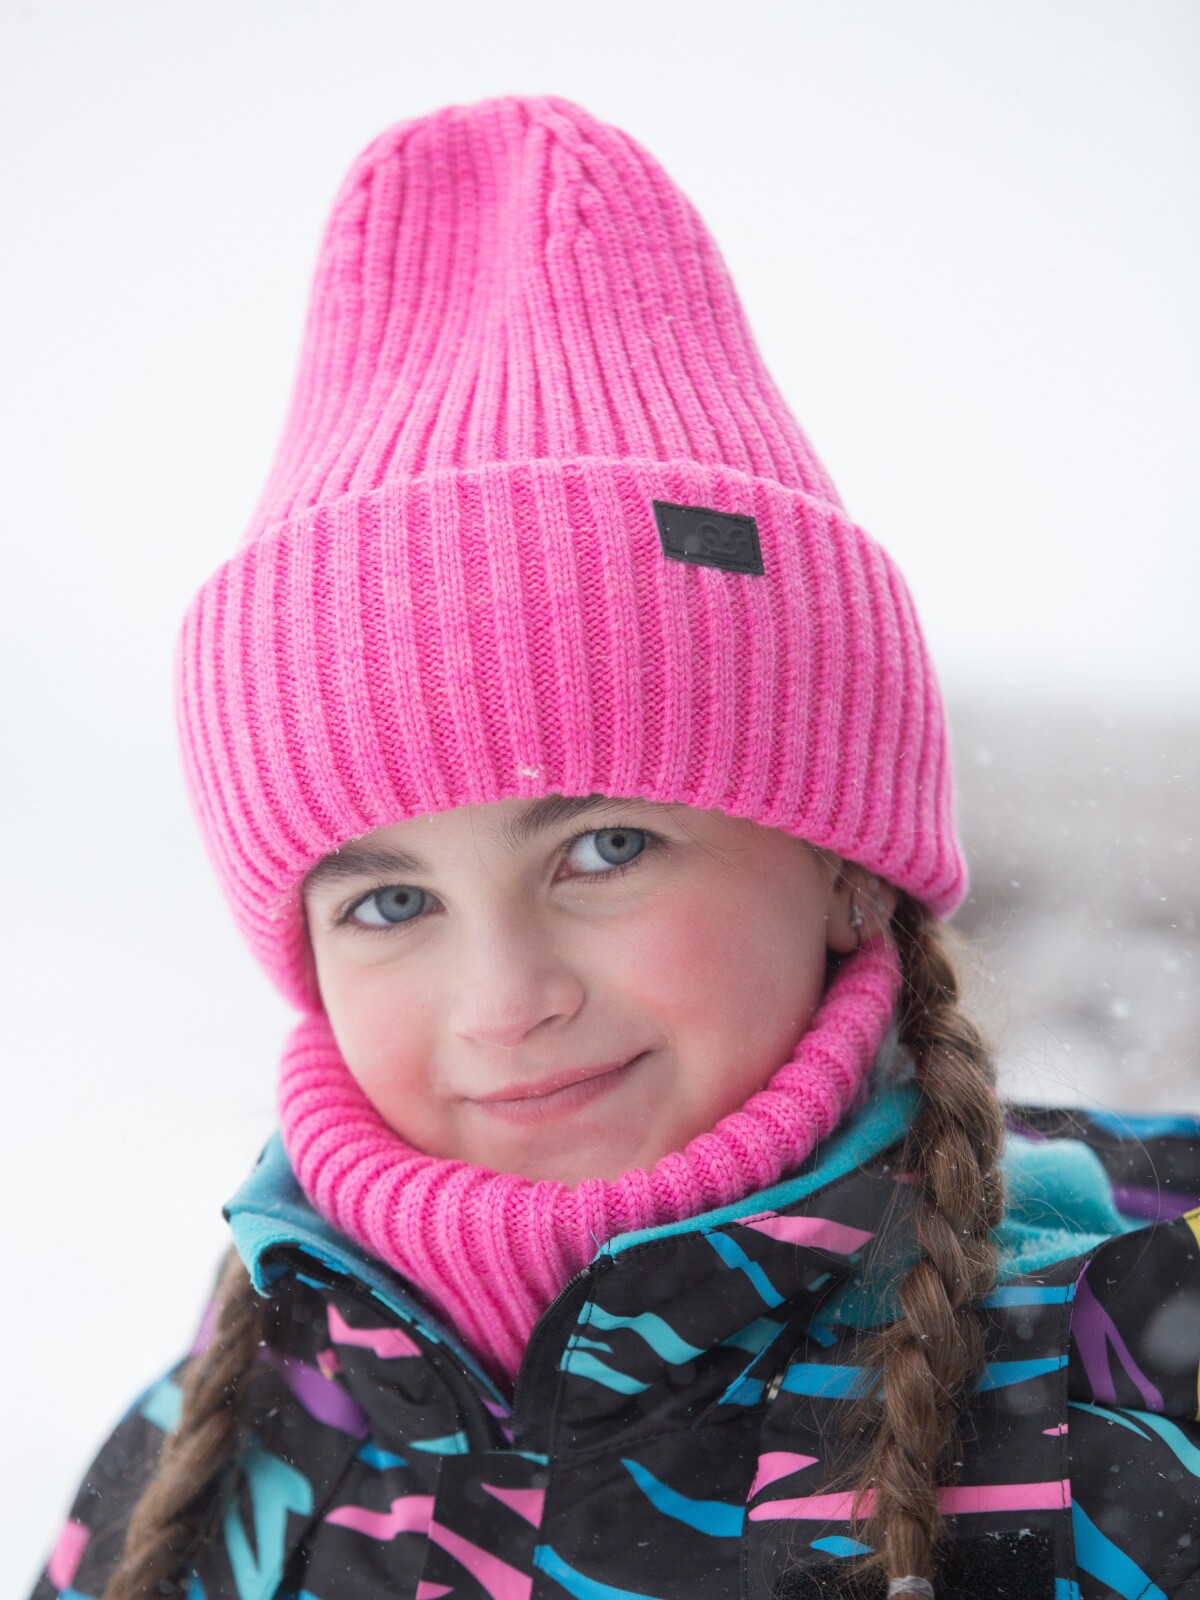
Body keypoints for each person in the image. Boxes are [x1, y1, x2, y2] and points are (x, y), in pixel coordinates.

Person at [31, 94, 1200, 1600]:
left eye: (606, 847)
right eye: (390, 900)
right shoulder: (218, 1467)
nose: (504, 1000)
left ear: (845, 866)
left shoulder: (1121, 1396)